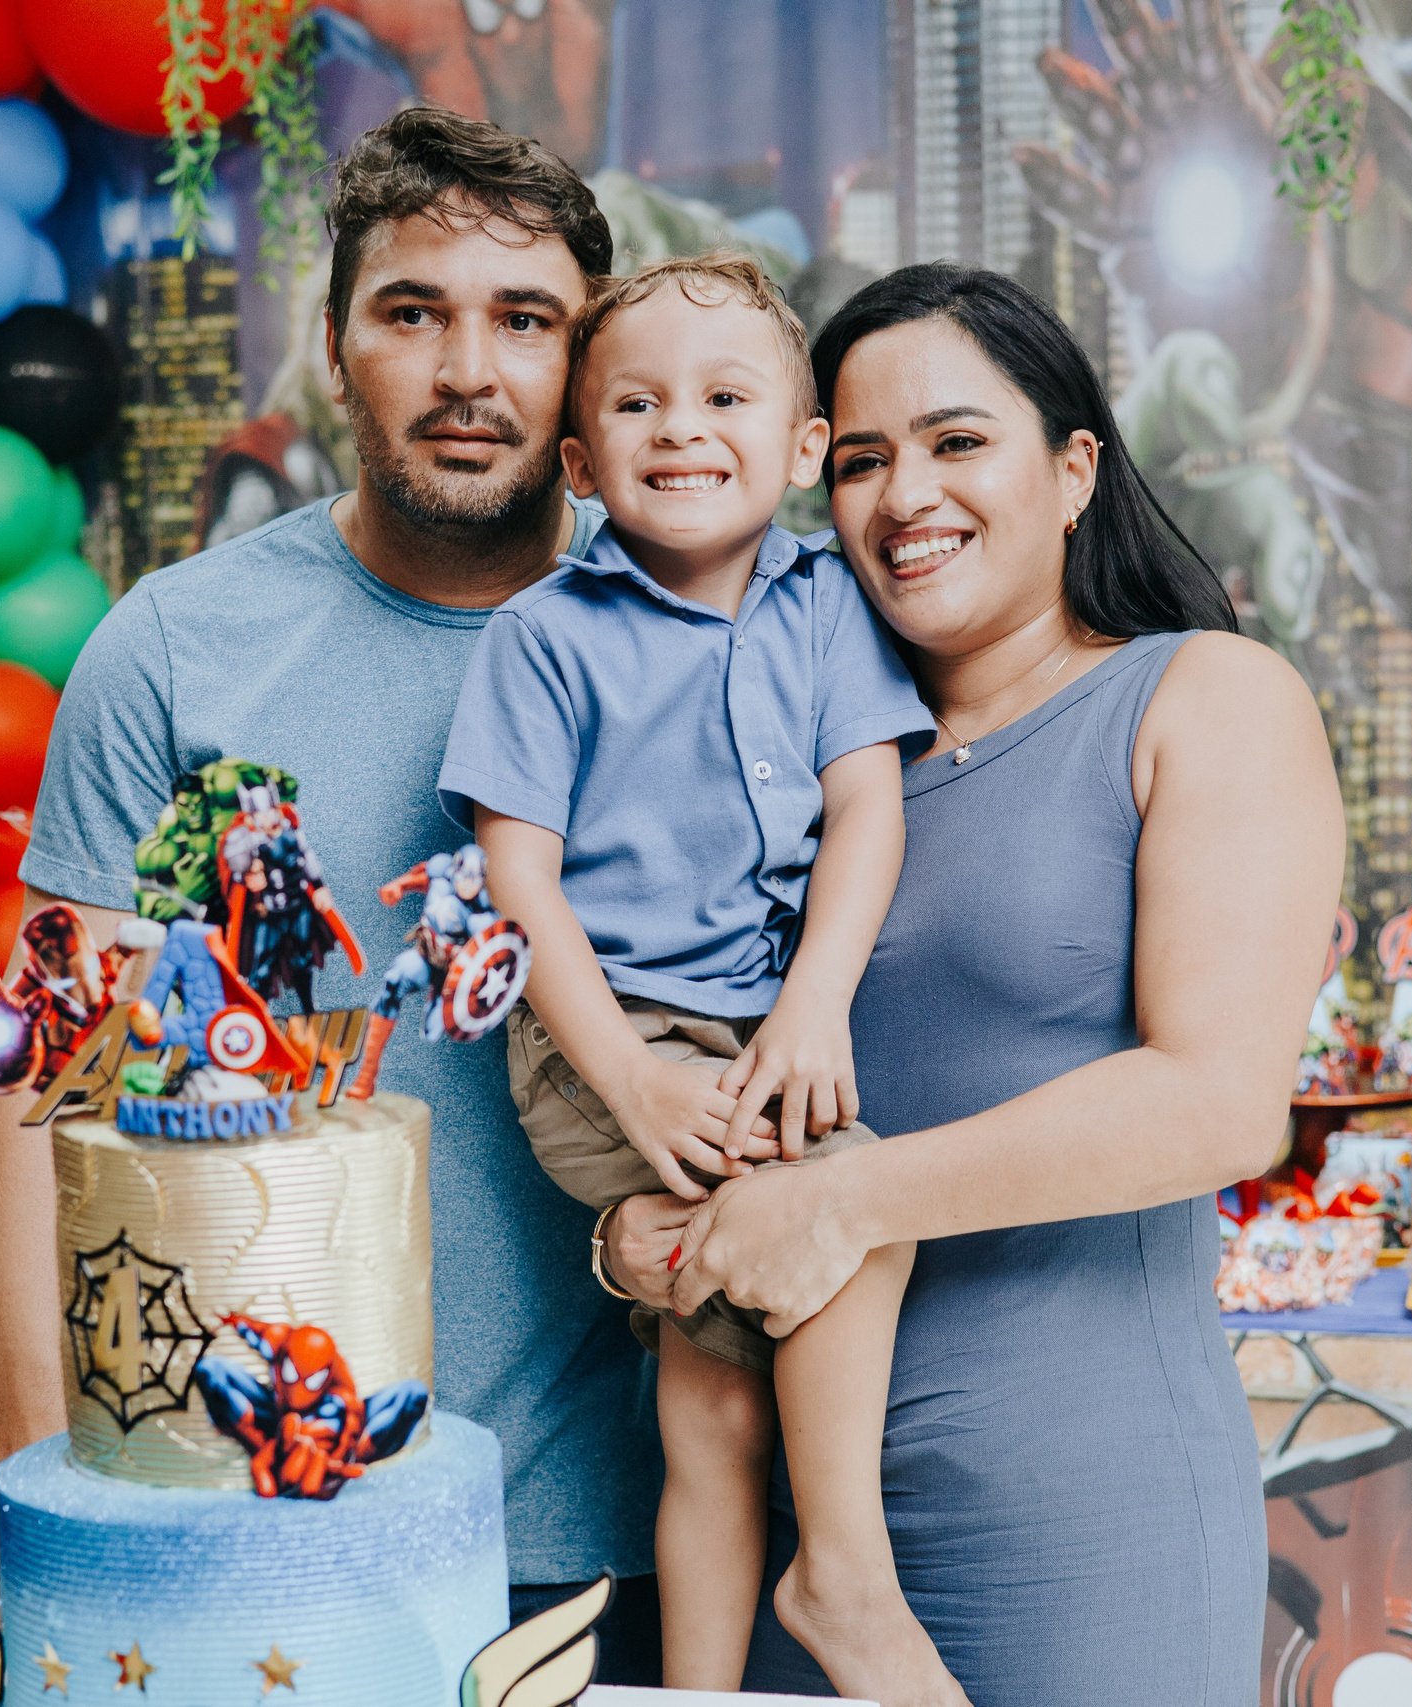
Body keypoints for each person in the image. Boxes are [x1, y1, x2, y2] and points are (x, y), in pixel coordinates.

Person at [0, 107, 666, 1672]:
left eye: (525, 322)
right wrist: (40, 1498)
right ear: (336, 350)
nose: (468, 371)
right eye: (412, 313)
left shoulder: (704, 632)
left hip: (633, 1513)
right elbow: (40, 1095)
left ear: (583, 369)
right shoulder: (176, 649)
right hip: (246, 1533)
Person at [602, 264, 1343, 1704]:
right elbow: (687, 1052)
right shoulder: (803, 768)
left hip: (1079, 1522)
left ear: (1073, 470)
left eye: (955, 442)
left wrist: (838, 1200)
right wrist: (641, 1236)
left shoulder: (1202, 701)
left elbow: (1219, 1106)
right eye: (862, 459)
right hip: (773, 1526)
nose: (901, 497)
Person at [440, 256, 943, 1701]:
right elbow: (516, 885)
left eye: (726, 398)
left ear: (798, 448)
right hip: (608, 1031)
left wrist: (816, 1001)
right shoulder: (546, 636)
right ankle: (843, 1571)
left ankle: (701, 1690)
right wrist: (633, 1078)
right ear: (583, 461)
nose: (683, 430)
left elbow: (868, 811)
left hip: (765, 1020)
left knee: (711, 1405)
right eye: (641, 405)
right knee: (858, 1217)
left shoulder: (830, 607)